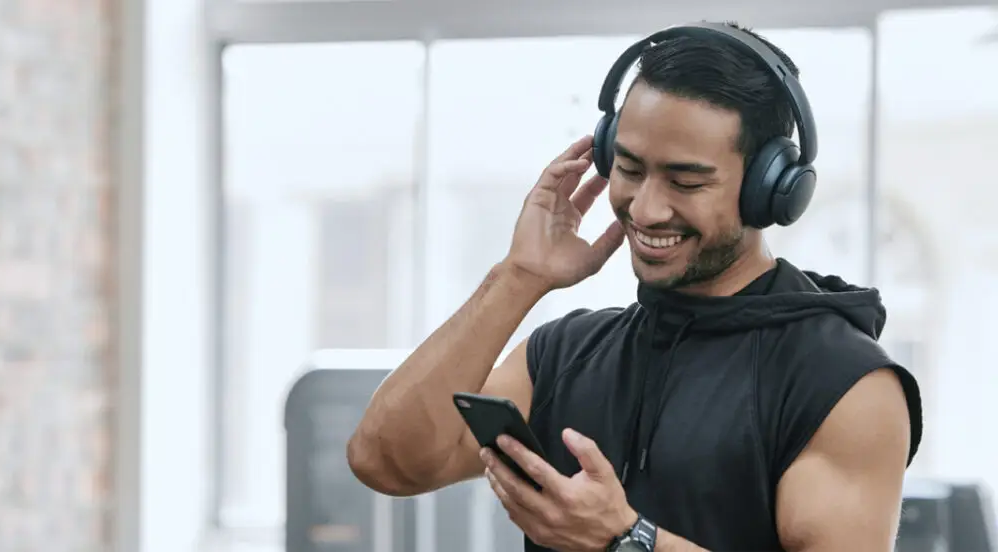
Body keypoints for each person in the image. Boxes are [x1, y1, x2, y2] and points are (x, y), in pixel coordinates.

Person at [347, 21, 922, 552]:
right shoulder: (569, 352)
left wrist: (628, 539)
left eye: (686, 180)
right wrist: (518, 277)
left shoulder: (842, 382)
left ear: (770, 190)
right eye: (629, 169)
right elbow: (387, 461)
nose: (645, 209)